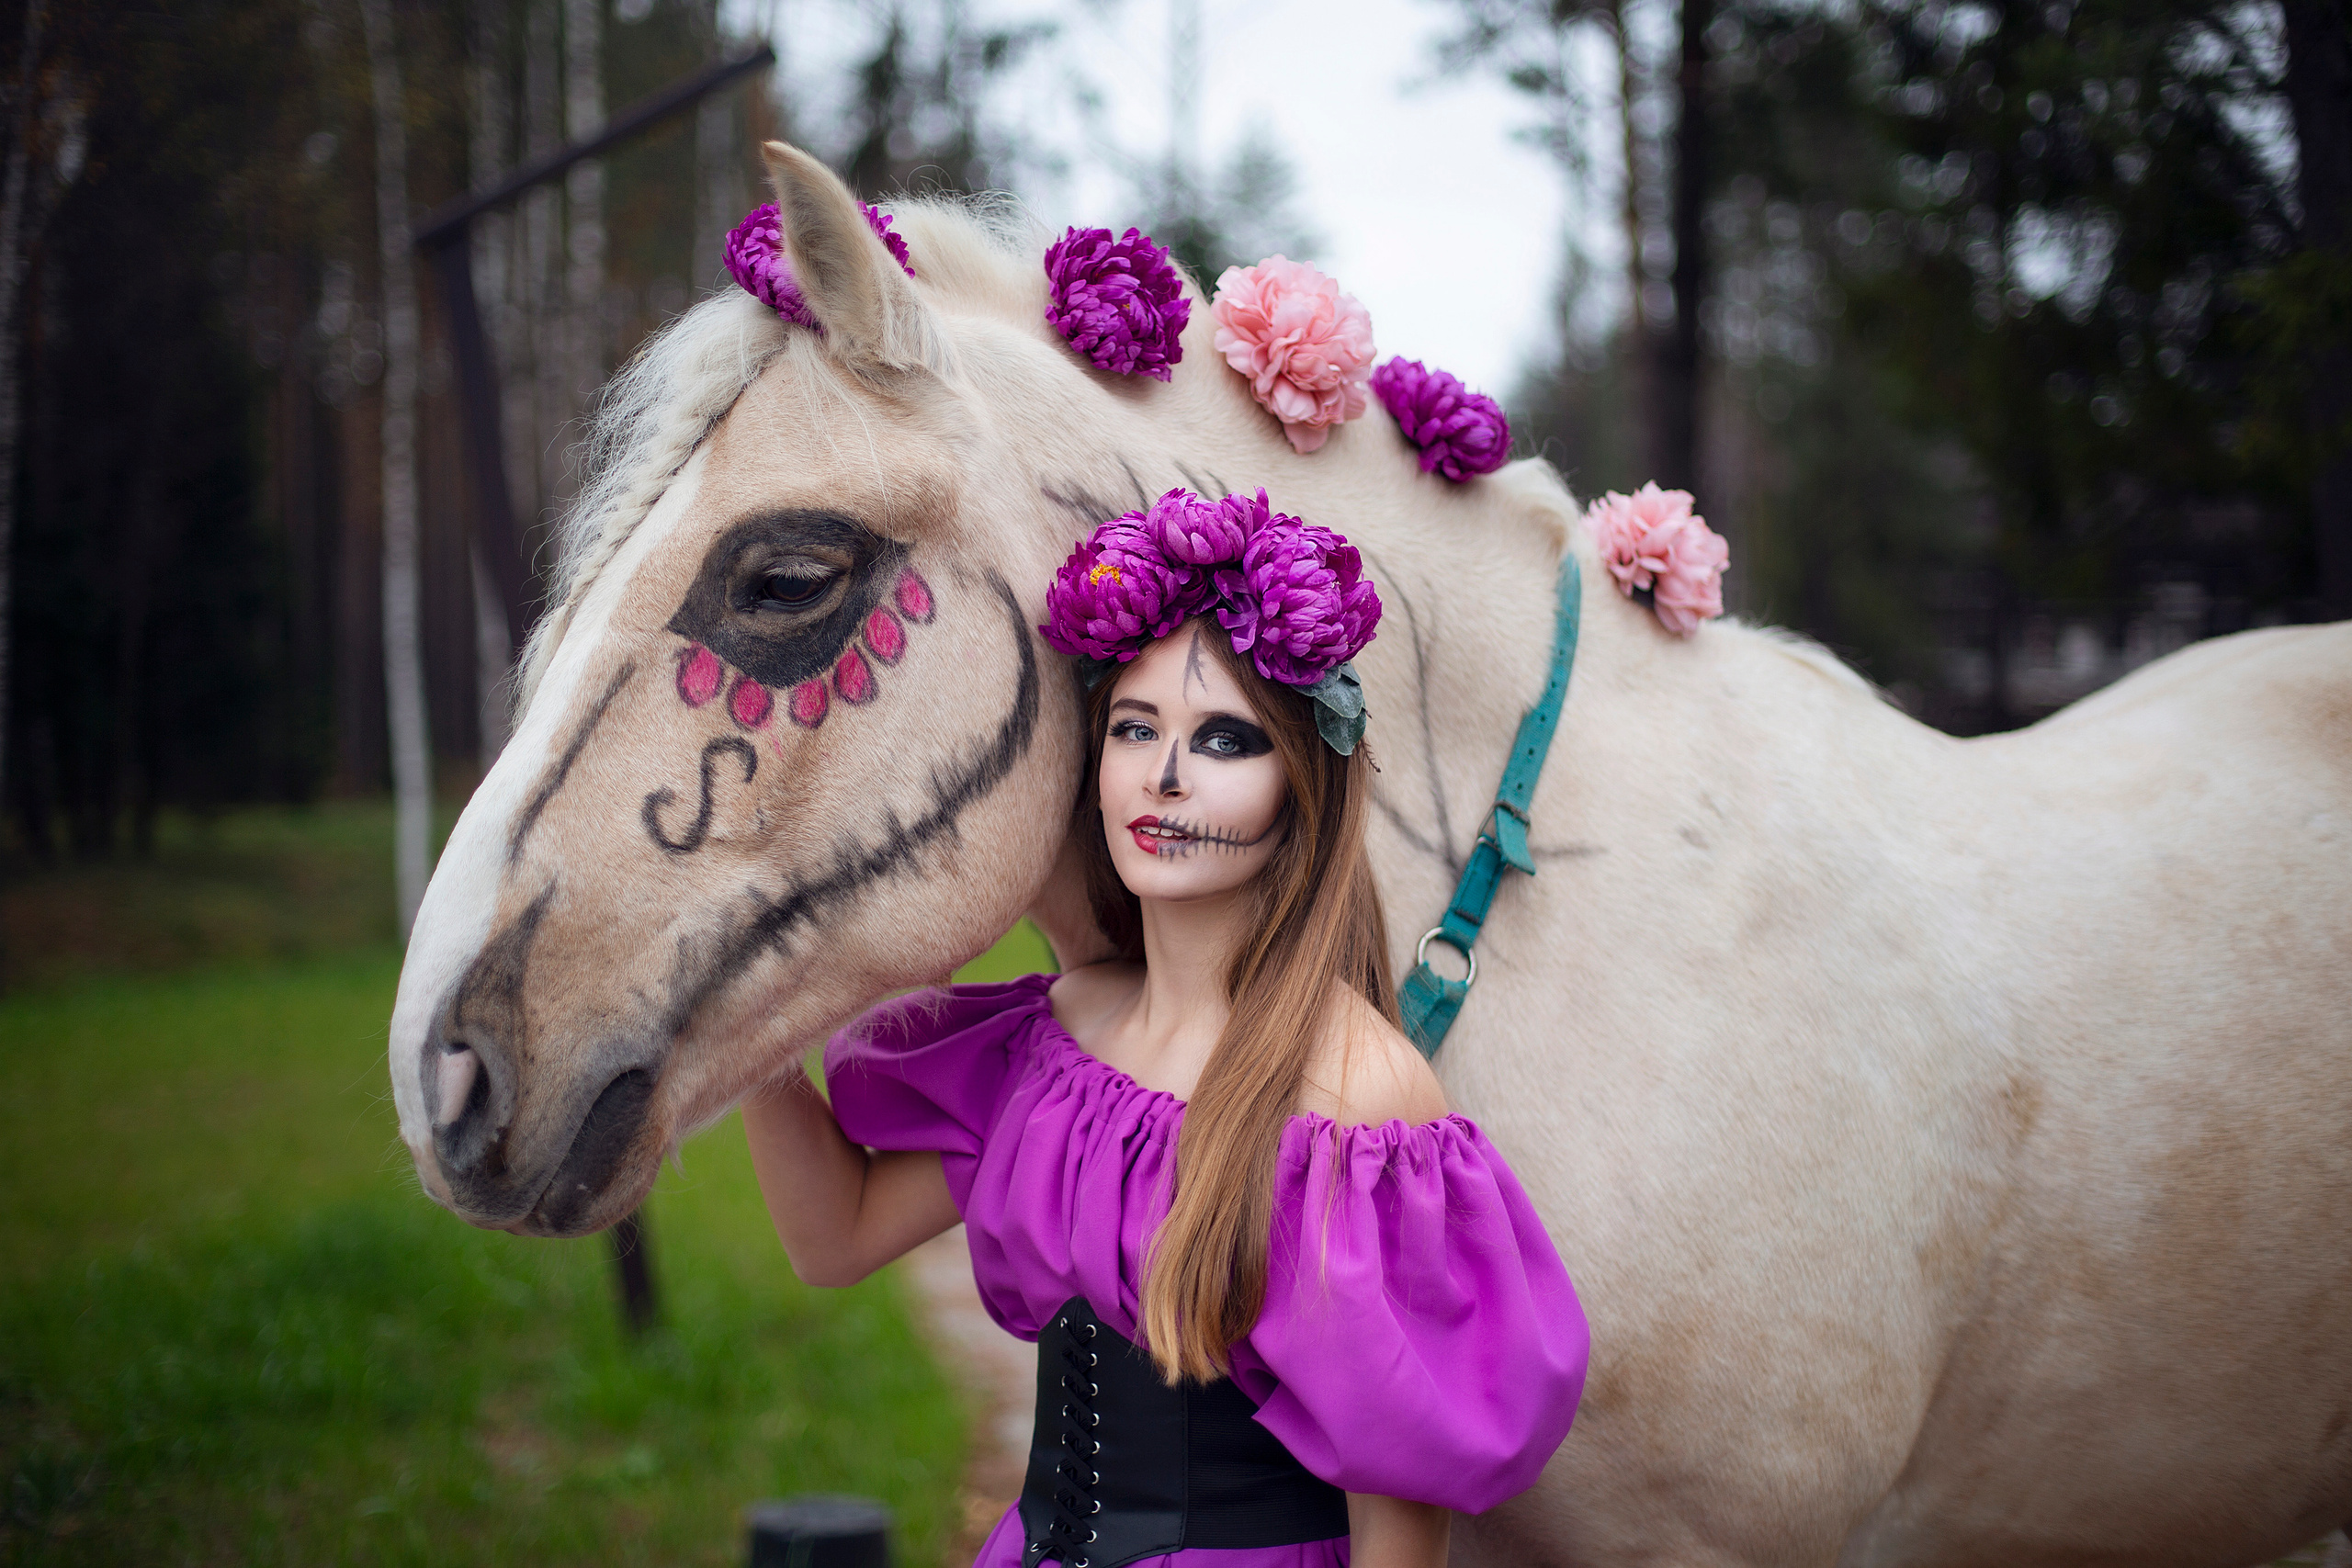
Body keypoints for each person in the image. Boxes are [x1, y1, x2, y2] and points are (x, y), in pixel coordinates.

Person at [742, 489, 1588, 1568]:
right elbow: (839, 1235)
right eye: (1135, 728)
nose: (1167, 775)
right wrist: (742, 1011)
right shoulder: (1058, 1040)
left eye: (1224, 739)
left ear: (1300, 790)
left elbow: (1396, 1516)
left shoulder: (1353, 1100)